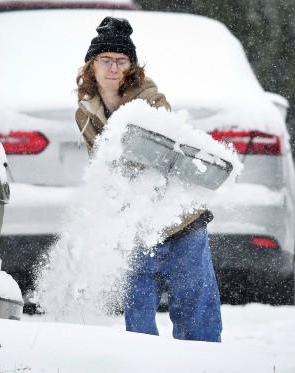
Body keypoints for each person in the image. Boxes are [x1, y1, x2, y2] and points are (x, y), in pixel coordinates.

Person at [75, 16, 222, 342]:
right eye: (105, 60)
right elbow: (101, 167)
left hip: (181, 221)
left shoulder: (150, 101)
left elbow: (162, 159)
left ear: (132, 66)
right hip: (137, 227)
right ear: (92, 66)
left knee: (195, 315)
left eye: (121, 61)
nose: (113, 68)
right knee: (138, 317)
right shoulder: (85, 112)